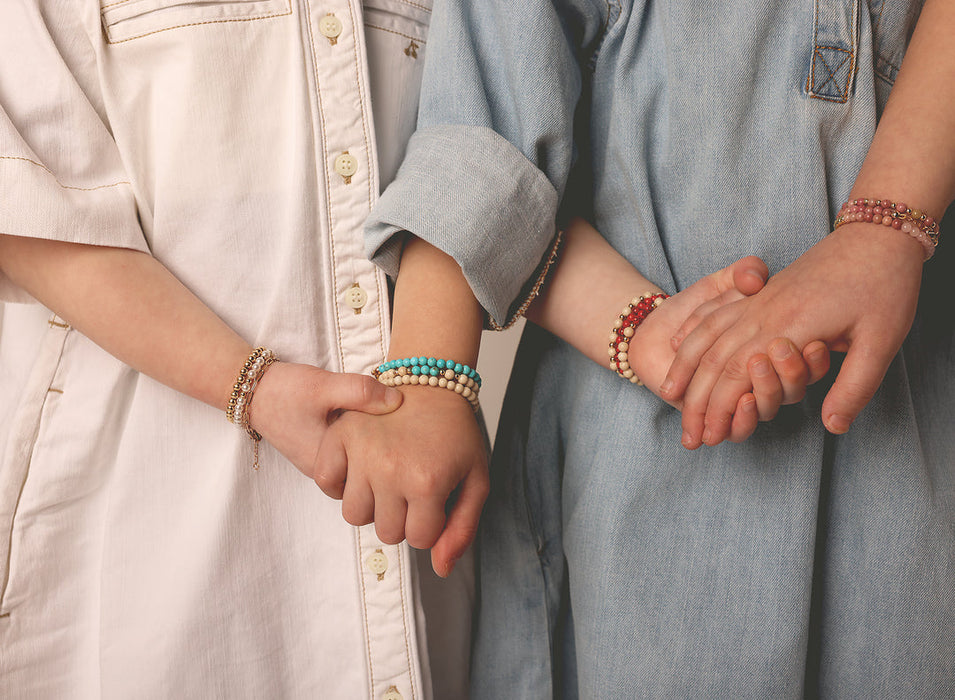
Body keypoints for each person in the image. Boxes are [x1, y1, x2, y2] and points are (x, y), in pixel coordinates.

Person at [353, 0, 955, 696]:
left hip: (912, 425)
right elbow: (488, 131)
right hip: (633, 463)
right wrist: (429, 377)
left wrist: (884, 229)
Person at [0, 2, 474, 698]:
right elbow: (26, 189)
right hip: (148, 489)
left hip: (408, 483)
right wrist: (254, 387)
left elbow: (479, 145)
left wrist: (437, 382)